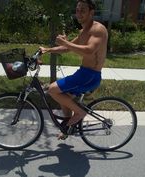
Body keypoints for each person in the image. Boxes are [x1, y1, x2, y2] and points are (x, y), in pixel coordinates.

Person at [40, 0, 108, 138]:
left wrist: (66, 42)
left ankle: (80, 113)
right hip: (83, 73)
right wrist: (47, 50)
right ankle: (68, 129)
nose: (79, 13)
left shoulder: (97, 29)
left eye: (83, 10)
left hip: (90, 76)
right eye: (77, 10)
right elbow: (66, 48)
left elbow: (89, 50)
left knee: (52, 89)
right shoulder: (84, 31)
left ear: (91, 12)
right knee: (63, 98)